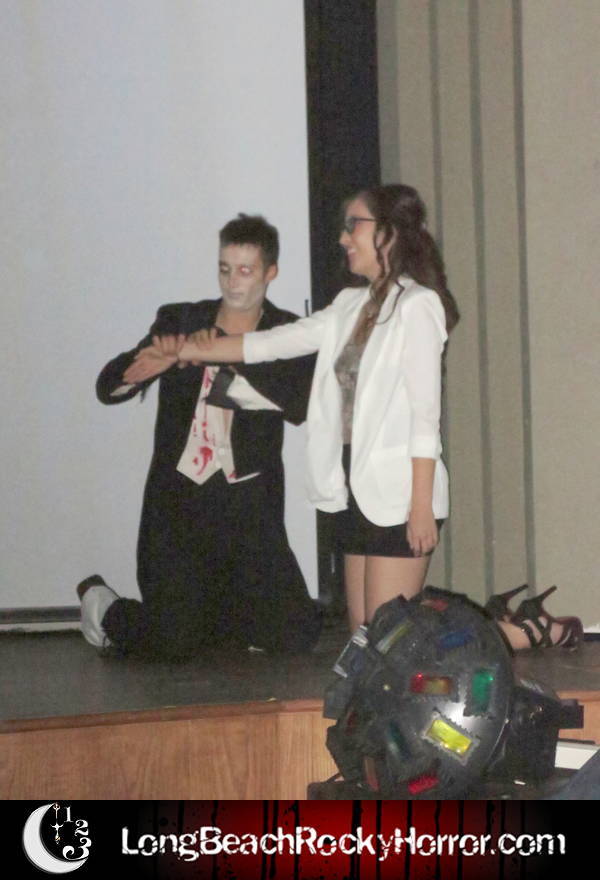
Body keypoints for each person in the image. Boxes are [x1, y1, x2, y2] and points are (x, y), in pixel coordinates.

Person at [129, 184, 583, 653]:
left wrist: (421, 505)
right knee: (366, 642)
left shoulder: (417, 305)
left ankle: (519, 631)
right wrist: (179, 351)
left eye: (354, 226)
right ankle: (507, 625)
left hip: (399, 492)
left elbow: (425, 416)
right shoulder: (349, 305)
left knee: (391, 643)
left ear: (388, 232)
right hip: (353, 487)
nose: (344, 238)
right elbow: (266, 344)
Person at [78, 214, 322, 660]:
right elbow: (107, 387)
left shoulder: (287, 332)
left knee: (297, 632)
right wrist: (148, 364)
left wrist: (215, 353)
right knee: (174, 641)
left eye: (245, 270)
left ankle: (222, 620)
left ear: (270, 272)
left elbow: (299, 403)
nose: (233, 282)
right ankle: (103, 608)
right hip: (178, 503)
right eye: (225, 268)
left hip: (248, 508)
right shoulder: (182, 319)